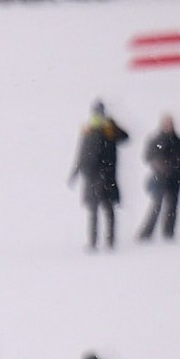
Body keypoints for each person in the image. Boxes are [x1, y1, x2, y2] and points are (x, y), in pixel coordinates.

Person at [70, 101, 129, 250]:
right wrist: (75, 173)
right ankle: (94, 242)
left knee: (106, 209)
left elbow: (125, 137)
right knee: (95, 211)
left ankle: (109, 241)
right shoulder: (88, 130)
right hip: (92, 176)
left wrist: (113, 126)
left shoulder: (109, 129)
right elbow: (81, 154)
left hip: (106, 176)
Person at [137, 115, 180, 241]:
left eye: (170, 124)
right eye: (166, 124)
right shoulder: (156, 139)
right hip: (159, 178)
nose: (168, 126)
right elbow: (147, 157)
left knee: (172, 207)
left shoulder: (178, 141)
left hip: (175, 178)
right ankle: (145, 234)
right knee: (156, 206)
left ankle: (168, 233)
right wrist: (159, 164)